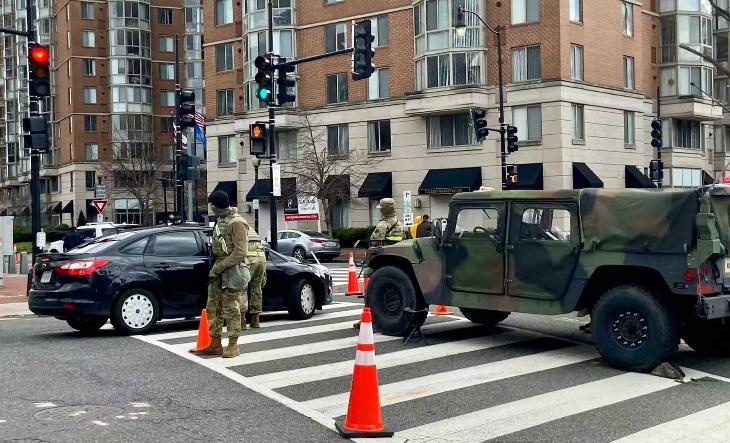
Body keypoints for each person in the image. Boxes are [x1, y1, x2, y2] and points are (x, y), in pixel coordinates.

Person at [190, 190, 251, 358]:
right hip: (218, 270)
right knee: (213, 307)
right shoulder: (220, 220)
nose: (210, 207)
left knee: (231, 308)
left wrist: (220, 266)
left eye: (211, 204)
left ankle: (233, 345)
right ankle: (215, 343)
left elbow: (240, 253)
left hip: (234, 271)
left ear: (215, 205)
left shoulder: (237, 222)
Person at [355, 198, 404, 328]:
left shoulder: (383, 225)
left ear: (384, 209)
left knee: (371, 291)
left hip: (380, 262)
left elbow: (374, 244)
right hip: (397, 261)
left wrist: (367, 262)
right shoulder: (400, 224)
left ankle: (367, 317)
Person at [241, 223, 266, 329]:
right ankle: (255, 320)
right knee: (257, 288)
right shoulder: (248, 226)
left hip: (248, 257)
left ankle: (242, 321)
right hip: (261, 257)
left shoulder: (233, 224)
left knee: (242, 289)